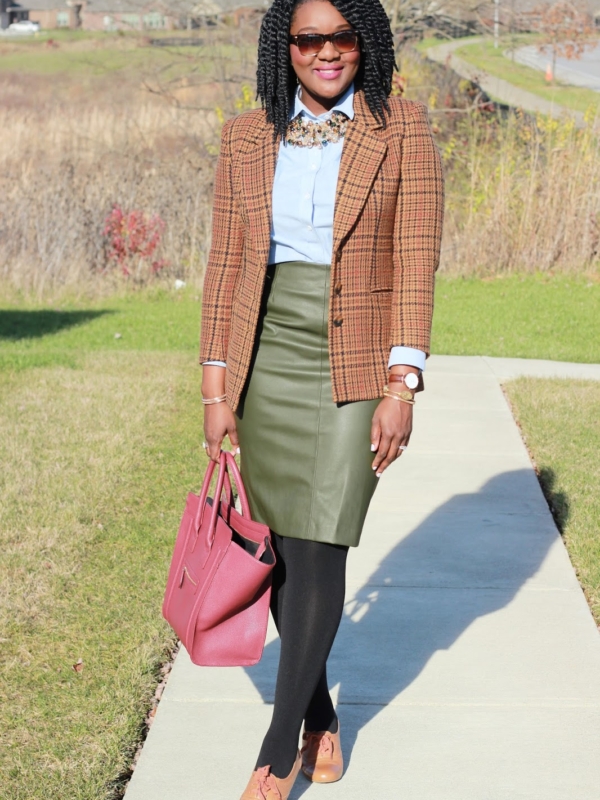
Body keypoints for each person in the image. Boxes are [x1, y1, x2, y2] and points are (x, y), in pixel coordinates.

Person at [199, 0, 444, 795]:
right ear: (286, 47)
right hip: (266, 352)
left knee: (324, 538)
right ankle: (320, 717)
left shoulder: (400, 126)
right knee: (282, 551)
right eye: (310, 38)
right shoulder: (245, 135)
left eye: (343, 36)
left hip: (358, 358)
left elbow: (416, 259)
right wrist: (215, 383)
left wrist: (402, 384)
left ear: (364, 43)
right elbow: (226, 263)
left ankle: (275, 755)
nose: (327, 51)